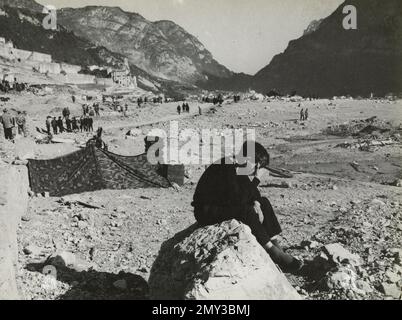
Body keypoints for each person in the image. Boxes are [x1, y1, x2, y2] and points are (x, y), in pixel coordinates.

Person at [192, 141, 303, 274]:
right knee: (245, 210)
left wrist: (257, 202)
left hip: (221, 206)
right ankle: (273, 252)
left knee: (264, 202)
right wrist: (256, 180)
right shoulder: (225, 166)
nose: (255, 170)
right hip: (207, 211)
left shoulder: (237, 167)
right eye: (256, 166)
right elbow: (238, 200)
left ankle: (276, 246)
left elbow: (249, 192)